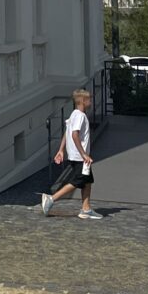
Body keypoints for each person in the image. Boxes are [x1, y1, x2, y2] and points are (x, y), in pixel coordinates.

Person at [41, 88, 98, 219]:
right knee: (78, 180)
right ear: (83, 101)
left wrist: (61, 150)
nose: (91, 101)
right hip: (79, 157)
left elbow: (67, 133)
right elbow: (74, 134)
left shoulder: (73, 114)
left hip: (76, 156)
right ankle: (51, 199)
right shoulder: (80, 116)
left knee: (87, 181)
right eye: (89, 99)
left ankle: (86, 209)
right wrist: (84, 154)